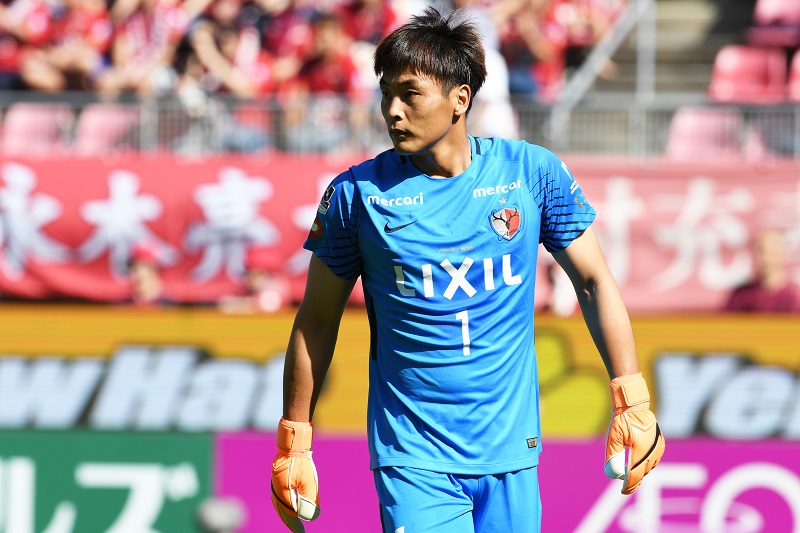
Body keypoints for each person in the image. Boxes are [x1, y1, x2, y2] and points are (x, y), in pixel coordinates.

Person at [271, 7, 665, 533]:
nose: (392, 111)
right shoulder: (354, 195)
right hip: (413, 458)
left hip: (512, 452)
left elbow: (593, 282)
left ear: (460, 99)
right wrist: (295, 439)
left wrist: (631, 398)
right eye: (385, 94)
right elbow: (316, 320)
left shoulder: (531, 173)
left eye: (410, 94)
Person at [724, 228, 800, 313]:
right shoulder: (742, 294)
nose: (764, 258)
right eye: (760, 251)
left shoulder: (793, 298)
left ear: (783, 254)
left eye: (770, 252)